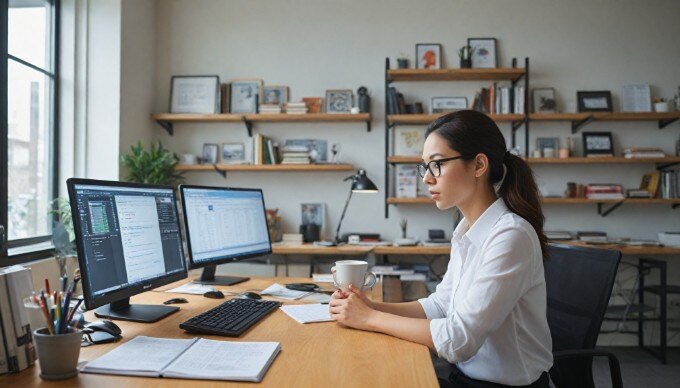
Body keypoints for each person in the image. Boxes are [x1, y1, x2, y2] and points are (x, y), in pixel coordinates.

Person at [329, 110, 553, 387]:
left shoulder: (511, 235)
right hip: (463, 377)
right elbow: (439, 305)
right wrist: (372, 307)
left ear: (479, 165)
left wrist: (371, 318)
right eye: (425, 167)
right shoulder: (465, 231)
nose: (426, 179)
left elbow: (459, 340)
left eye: (437, 165)